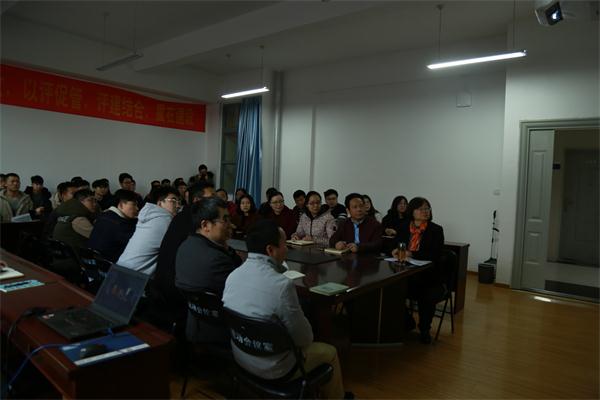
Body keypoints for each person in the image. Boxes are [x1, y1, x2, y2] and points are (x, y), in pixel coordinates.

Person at [222, 220, 350, 399]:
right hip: (275, 368)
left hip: (242, 357)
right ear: (270, 250)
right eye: (284, 245)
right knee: (330, 352)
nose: (287, 249)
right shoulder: (282, 285)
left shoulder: (233, 276)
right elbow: (304, 338)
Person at [148, 182, 216, 330]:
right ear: (197, 200)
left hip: (162, 287)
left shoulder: (181, 216)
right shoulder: (196, 222)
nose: (216, 201)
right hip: (176, 292)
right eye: (212, 197)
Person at [175, 196, 242, 344]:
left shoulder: (185, 246)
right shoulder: (217, 260)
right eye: (225, 220)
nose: (231, 225)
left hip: (196, 325)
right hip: (221, 332)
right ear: (205, 225)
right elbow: (242, 293)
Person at [390, 197, 444, 344]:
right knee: (391, 289)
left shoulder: (436, 230)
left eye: (427, 208)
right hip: (405, 272)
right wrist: (394, 250)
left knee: (426, 294)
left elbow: (435, 254)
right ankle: (407, 321)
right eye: (421, 209)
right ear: (412, 211)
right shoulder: (403, 227)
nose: (425, 211)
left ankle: (424, 329)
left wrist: (412, 254)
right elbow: (394, 244)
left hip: (429, 276)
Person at [117, 187, 180, 276]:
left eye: (179, 202)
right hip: (135, 277)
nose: (178, 205)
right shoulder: (165, 220)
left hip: (120, 268)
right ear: (159, 203)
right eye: (173, 201)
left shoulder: (148, 215)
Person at [88, 189, 139, 262]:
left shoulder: (104, 215)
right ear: (121, 204)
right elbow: (136, 244)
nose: (137, 208)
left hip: (94, 262)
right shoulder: (120, 224)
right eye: (134, 204)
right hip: (111, 265)